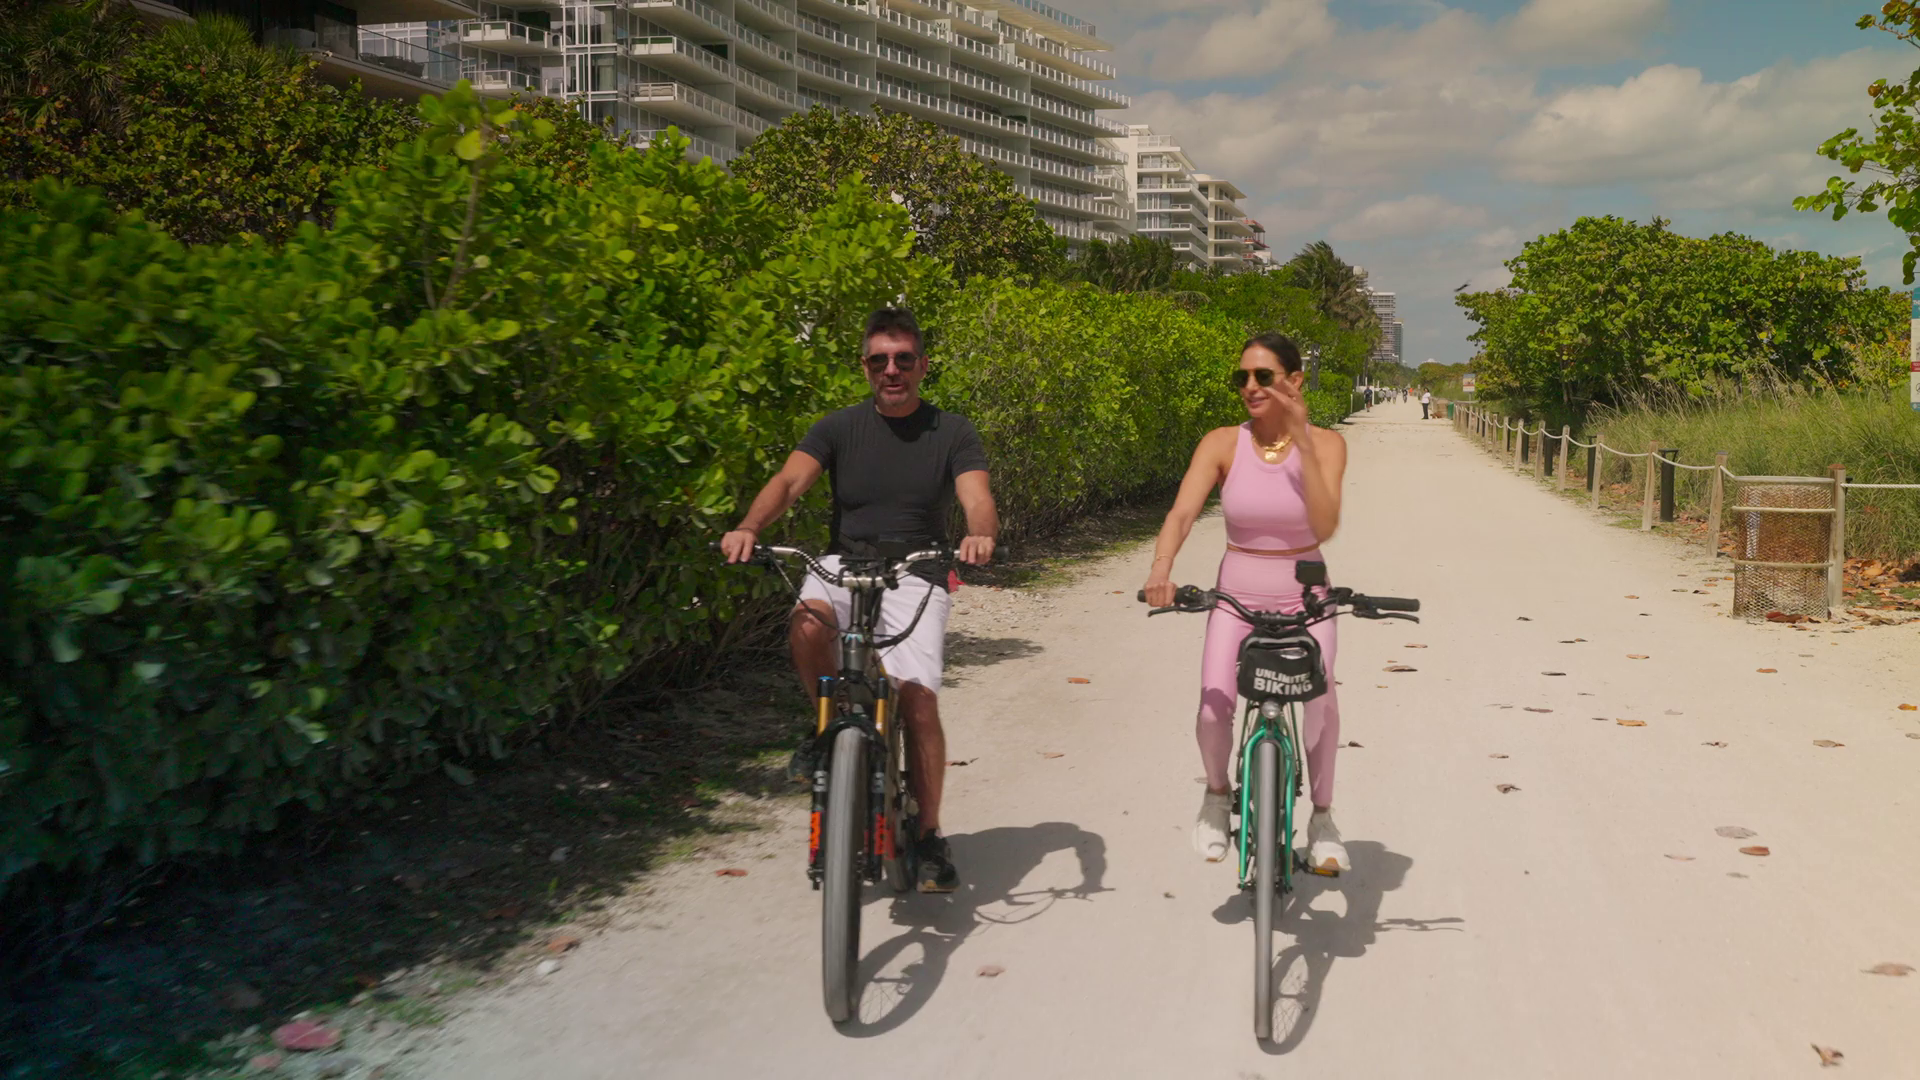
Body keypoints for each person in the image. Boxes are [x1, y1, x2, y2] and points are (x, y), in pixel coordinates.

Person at [720, 307, 999, 892]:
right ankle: (831, 729)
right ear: (865, 366)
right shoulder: (837, 427)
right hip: (844, 563)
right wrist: (749, 525)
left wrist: (980, 534)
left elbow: (976, 497)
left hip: (917, 568)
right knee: (806, 624)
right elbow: (789, 482)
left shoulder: (952, 431)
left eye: (902, 359)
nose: (891, 370)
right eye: (879, 360)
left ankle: (929, 834)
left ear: (922, 365)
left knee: (918, 698)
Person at [1142, 333, 1352, 872]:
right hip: (1236, 597)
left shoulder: (1328, 444)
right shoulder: (1221, 443)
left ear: (1295, 381)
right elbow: (1182, 513)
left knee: (1323, 702)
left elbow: (1324, 524)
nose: (1250, 387)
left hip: (1307, 597)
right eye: (1243, 377)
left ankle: (1322, 818)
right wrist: (1161, 569)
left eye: (1264, 376)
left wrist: (1302, 442)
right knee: (1214, 705)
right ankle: (1217, 797)